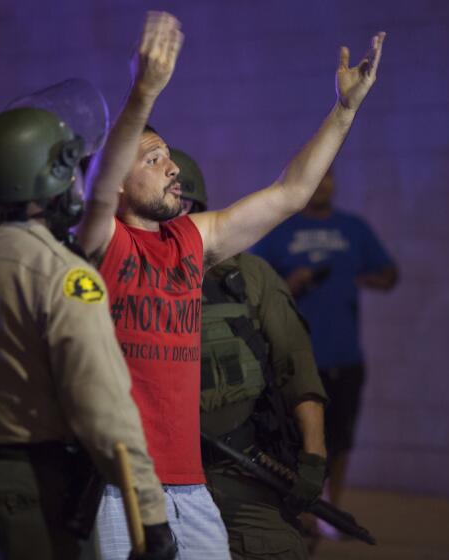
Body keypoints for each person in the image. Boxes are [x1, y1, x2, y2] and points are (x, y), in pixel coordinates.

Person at [75, 11, 386, 558]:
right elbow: (100, 188)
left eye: (170, 155)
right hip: (116, 486)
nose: (172, 168)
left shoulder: (189, 240)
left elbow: (290, 193)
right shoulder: (102, 242)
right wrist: (143, 92)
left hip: (191, 488)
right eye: (154, 159)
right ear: (122, 178)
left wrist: (344, 111)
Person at [0, 106, 174, 560]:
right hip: (25, 491)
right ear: (45, 178)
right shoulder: (60, 275)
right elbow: (105, 408)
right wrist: (151, 518)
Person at [172, 147, 328, 559]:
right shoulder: (129, 276)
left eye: (185, 206)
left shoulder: (249, 276)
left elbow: (297, 368)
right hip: (163, 478)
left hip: (243, 465)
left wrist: (313, 455)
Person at [253, 167, 399, 539]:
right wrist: (290, 284)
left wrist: (366, 279)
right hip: (296, 360)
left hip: (346, 356)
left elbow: (389, 274)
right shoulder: (280, 233)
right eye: (318, 179)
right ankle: (302, 509)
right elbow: (251, 289)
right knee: (300, 439)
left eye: (331, 178)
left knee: (340, 438)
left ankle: (331, 509)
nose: (326, 186)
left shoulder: (353, 228)